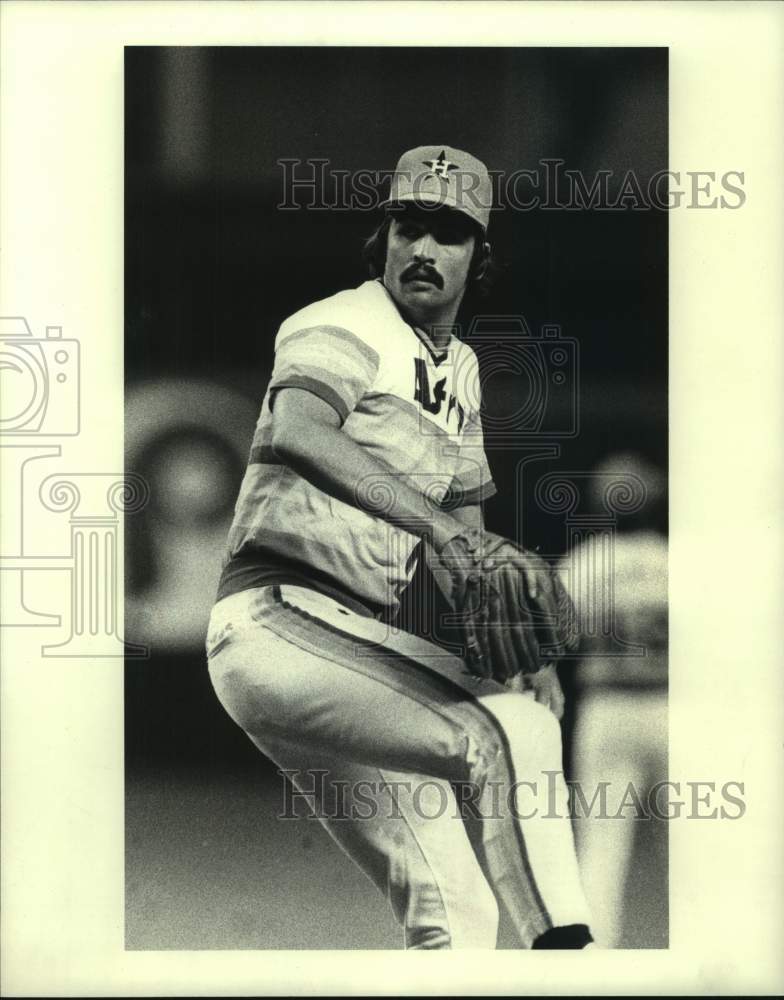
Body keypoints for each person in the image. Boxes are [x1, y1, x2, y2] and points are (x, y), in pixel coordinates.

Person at [205, 146, 594, 949]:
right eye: (408, 226)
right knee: (512, 734)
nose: (423, 248)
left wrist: (523, 656)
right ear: (380, 238)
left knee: (455, 908)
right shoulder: (343, 321)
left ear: (479, 256)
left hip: (346, 651)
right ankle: (571, 964)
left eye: (448, 233)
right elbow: (298, 429)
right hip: (275, 618)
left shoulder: (464, 370)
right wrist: (441, 531)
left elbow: (468, 532)